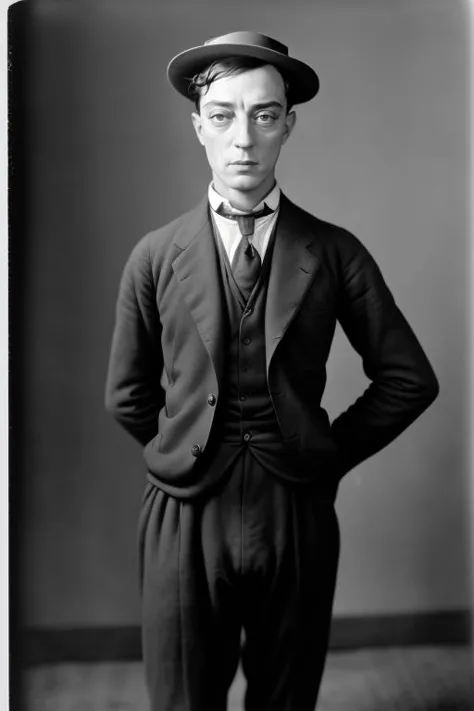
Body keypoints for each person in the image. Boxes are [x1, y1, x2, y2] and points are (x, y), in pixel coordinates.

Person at [105, 30, 439, 711]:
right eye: (223, 115)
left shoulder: (336, 251)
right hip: (184, 509)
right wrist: (183, 450)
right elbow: (127, 394)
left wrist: (326, 454)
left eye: (264, 114)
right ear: (198, 126)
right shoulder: (155, 255)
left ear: (288, 123)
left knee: (286, 695)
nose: (244, 138)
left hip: (297, 508)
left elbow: (409, 377)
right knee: (182, 695)